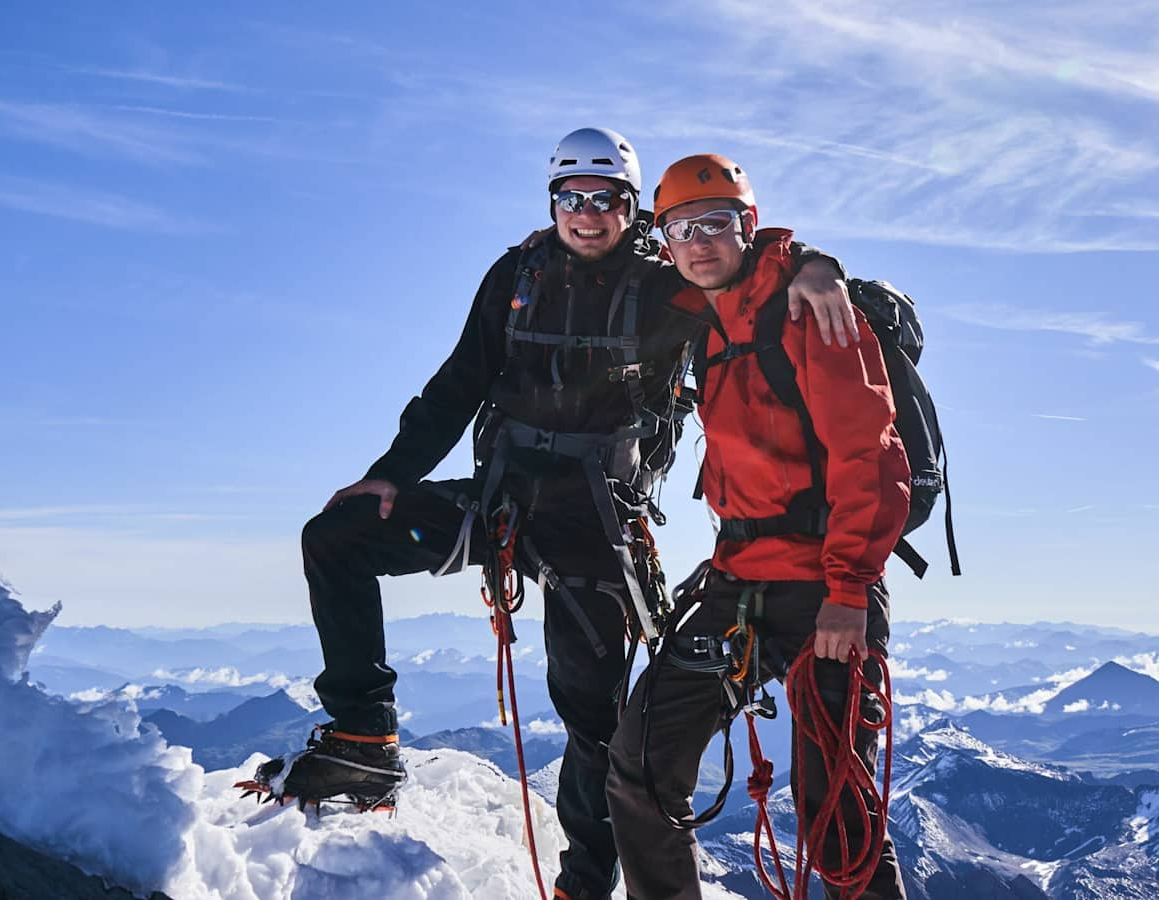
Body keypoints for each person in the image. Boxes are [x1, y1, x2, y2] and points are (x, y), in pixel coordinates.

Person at [243, 129, 855, 900]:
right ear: (553, 203)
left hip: (597, 529)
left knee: (592, 721)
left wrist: (814, 266)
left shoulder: (669, 283)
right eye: (574, 199)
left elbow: (738, 266)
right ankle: (362, 736)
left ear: (634, 211)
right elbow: (457, 384)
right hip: (502, 506)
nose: (589, 214)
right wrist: (389, 477)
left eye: (608, 201)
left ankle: (583, 887)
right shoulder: (516, 275)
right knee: (337, 538)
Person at [604, 154, 912, 899]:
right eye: (682, 228)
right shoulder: (703, 318)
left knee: (832, 810)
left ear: (748, 226)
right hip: (739, 582)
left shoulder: (811, 311)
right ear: (665, 240)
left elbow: (870, 455)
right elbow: (606, 265)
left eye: (716, 224)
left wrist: (848, 590)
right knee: (640, 768)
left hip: (826, 593)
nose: (699, 241)